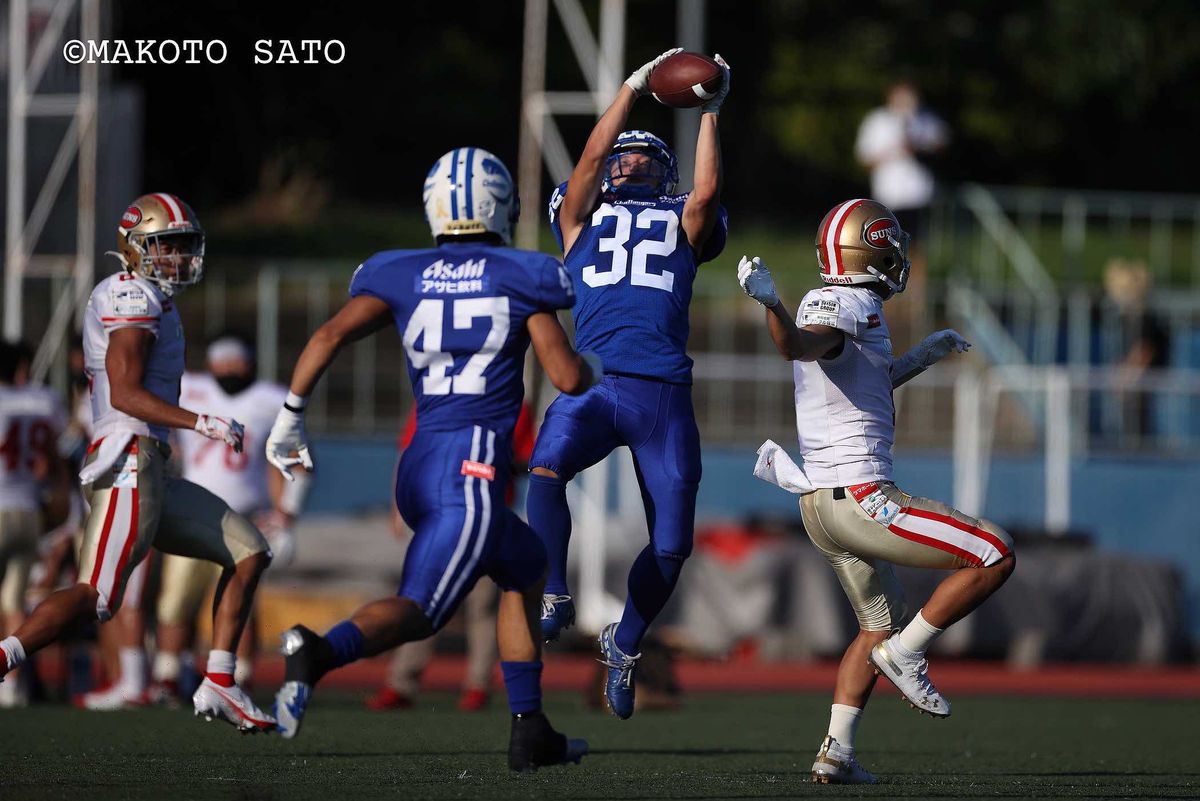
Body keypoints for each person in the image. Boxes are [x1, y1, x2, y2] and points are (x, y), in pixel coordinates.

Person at [266, 148, 598, 772]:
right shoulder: (523, 274)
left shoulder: (399, 270)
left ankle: (531, 729)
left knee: (527, 568)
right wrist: (590, 371)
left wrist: (290, 416)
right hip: (471, 464)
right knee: (422, 611)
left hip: (419, 466)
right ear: (503, 204)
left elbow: (327, 335)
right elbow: (566, 376)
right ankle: (318, 653)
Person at [738, 198, 1016, 784]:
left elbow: (859, 381)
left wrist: (921, 356)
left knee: (876, 626)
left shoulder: (857, 305)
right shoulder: (841, 303)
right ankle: (910, 654)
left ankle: (835, 752)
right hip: (861, 497)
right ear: (876, 250)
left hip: (820, 504)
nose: (900, 258)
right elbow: (799, 344)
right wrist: (772, 306)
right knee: (993, 553)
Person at [0, 193, 276, 731]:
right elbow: (125, 392)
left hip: (151, 466)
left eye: (182, 246)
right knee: (95, 596)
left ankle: (220, 681)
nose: (177, 256)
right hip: (128, 458)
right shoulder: (129, 295)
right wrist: (202, 422)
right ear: (134, 247)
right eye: (165, 245)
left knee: (249, 552)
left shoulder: (150, 295)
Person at [531, 48, 729, 719]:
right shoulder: (578, 214)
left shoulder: (685, 215)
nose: (633, 161)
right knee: (546, 467)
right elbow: (587, 161)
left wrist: (709, 112)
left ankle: (626, 643)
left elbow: (706, 195)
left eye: (648, 156)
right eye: (626, 153)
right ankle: (554, 588)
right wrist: (631, 89)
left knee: (673, 544)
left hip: (663, 395)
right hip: (596, 380)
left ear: (665, 170)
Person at [149, 332, 305, 702]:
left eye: (235, 358)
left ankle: (239, 677)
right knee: (176, 599)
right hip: (190, 509)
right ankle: (170, 674)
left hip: (243, 514)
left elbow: (293, 459)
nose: (228, 366)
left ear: (249, 361)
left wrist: (286, 514)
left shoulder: (270, 399)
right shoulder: (190, 386)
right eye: (222, 358)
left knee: (241, 600)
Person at [365, 402, 535, 713]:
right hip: (442, 514)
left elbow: (529, 458)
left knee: (482, 607)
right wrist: (398, 504)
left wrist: (494, 463)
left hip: (489, 515)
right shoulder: (435, 393)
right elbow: (409, 452)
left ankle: (478, 685)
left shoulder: (514, 402)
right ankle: (402, 681)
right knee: (421, 600)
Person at [0, 341, 70, 707]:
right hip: (29, 509)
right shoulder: (43, 401)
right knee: (13, 598)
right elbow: (53, 458)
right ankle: (11, 686)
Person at [854, 81, 947, 237]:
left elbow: (941, 145)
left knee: (916, 240)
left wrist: (918, 148)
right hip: (888, 194)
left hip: (918, 193)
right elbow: (864, 157)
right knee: (889, 240)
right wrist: (890, 153)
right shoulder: (877, 120)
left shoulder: (925, 119)